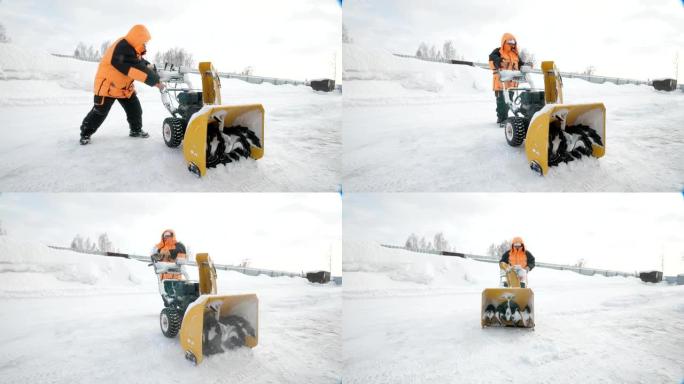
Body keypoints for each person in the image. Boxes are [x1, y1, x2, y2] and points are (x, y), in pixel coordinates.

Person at [79, 24, 165, 145]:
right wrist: (155, 81)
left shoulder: (133, 50)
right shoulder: (122, 47)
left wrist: (152, 68)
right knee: (100, 112)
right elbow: (135, 69)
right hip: (108, 86)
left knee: (135, 110)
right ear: (137, 38)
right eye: (144, 41)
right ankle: (85, 133)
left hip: (124, 89)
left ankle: (136, 130)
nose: (145, 44)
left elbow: (140, 63)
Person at [488, 33, 527, 124]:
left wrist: (526, 66)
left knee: (509, 102)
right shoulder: (498, 52)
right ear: (504, 41)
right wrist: (498, 62)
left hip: (512, 83)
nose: (512, 43)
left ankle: (505, 118)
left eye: (513, 41)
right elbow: (492, 61)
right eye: (509, 41)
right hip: (500, 83)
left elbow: (520, 65)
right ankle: (501, 119)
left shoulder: (515, 54)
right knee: (502, 103)